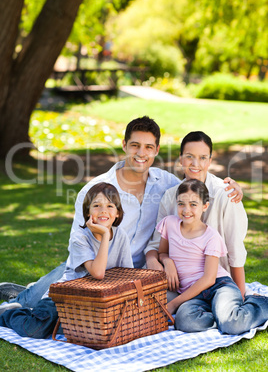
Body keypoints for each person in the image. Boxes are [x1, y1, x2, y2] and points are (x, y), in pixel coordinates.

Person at [0, 119, 242, 311]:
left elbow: (196, 183)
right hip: (97, 269)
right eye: (135, 145)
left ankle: (26, 291)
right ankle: (21, 297)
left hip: (140, 273)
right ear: (124, 145)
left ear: (156, 150)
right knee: (43, 307)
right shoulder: (96, 191)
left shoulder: (166, 183)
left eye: (148, 147)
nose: (141, 153)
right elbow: (79, 247)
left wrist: (231, 186)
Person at [0, 183, 133, 337]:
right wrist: (104, 235)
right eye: (96, 205)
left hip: (91, 303)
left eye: (110, 206)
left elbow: (127, 274)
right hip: (61, 299)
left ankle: (34, 310)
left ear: (117, 213)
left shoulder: (120, 235)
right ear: (87, 211)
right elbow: (97, 272)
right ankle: (10, 313)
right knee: (34, 330)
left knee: (87, 332)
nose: (103, 210)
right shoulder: (80, 237)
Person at [156, 179, 268, 334]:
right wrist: (167, 260)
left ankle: (260, 303)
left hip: (218, 286)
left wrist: (174, 304)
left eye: (193, 204)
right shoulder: (169, 224)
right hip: (193, 294)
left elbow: (209, 279)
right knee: (184, 322)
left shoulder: (211, 237)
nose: (186, 209)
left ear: (205, 206)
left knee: (232, 325)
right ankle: (221, 315)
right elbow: (162, 252)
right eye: (181, 203)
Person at [145, 131, 248, 297]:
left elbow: (235, 250)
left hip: (215, 281)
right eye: (189, 156)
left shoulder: (226, 194)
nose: (195, 163)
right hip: (180, 282)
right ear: (180, 158)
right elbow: (156, 245)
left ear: (210, 160)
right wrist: (162, 260)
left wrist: (241, 295)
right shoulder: (171, 196)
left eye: (202, 157)